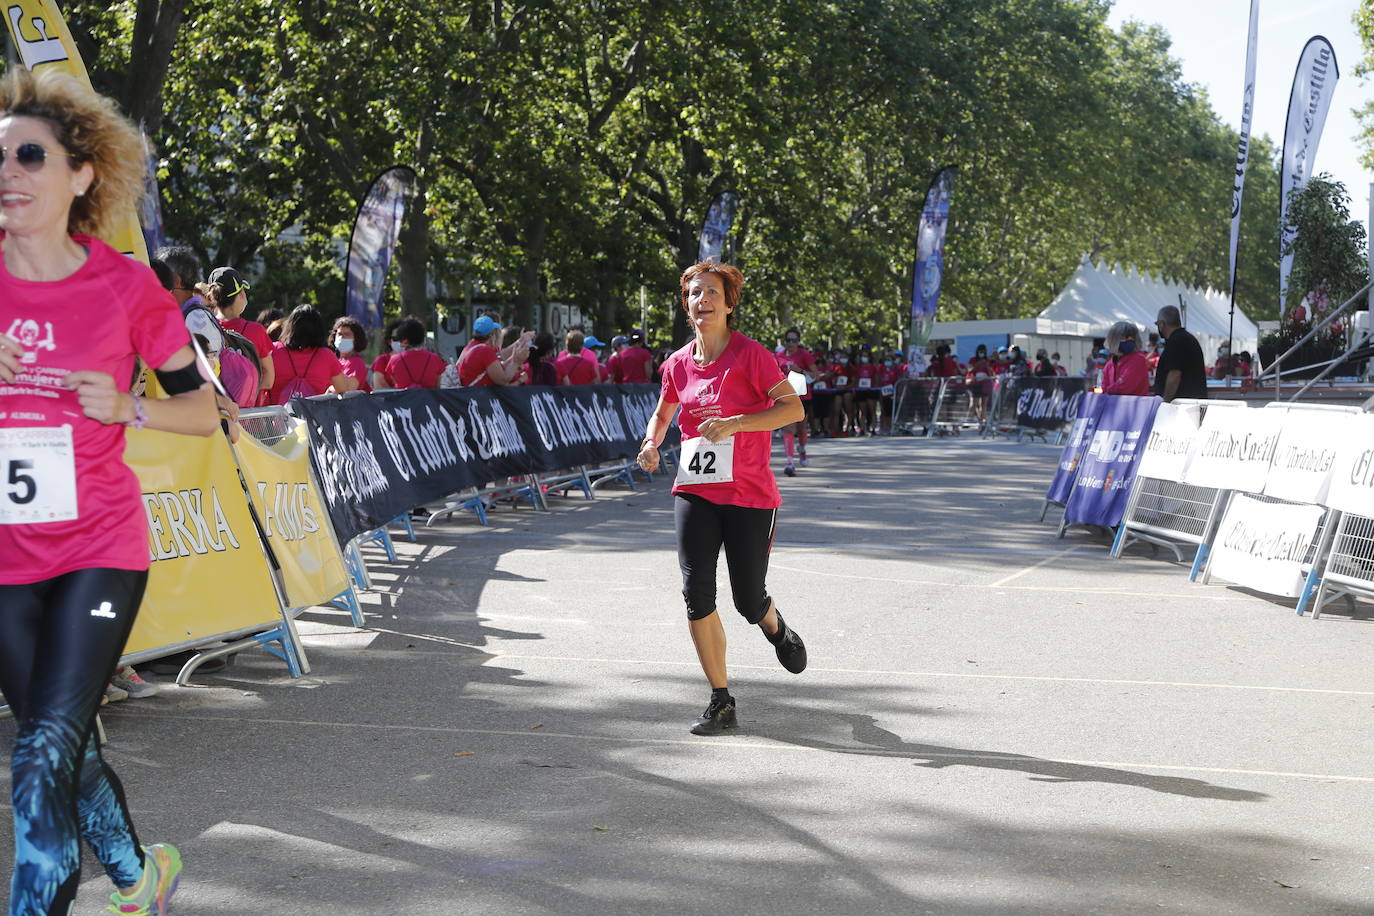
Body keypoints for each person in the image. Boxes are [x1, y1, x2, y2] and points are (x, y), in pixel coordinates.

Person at [0, 65, 219, 916]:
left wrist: (131, 405)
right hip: (6, 560)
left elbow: (204, 412)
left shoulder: (127, 286)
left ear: (80, 173)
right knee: (62, 750)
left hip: (97, 548)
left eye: (28, 156)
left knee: (45, 747)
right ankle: (138, 875)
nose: (7, 174)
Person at [636, 260, 807, 736]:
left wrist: (735, 423)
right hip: (695, 490)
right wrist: (651, 443)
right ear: (686, 305)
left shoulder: (751, 356)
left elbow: (790, 408)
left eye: (712, 292)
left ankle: (776, 627)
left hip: (749, 496)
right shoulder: (676, 363)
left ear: (729, 304)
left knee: (748, 600)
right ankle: (720, 699)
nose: (702, 300)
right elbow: (663, 414)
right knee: (696, 593)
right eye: (694, 293)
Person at [202, 266, 274, 401]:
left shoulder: (204, 329)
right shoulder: (256, 331)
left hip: (217, 413)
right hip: (250, 416)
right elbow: (269, 379)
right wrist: (244, 392)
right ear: (241, 295)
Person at [267, 305, 357, 403]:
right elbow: (343, 389)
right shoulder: (327, 356)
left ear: (289, 327)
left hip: (276, 416)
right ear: (318, 330)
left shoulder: (273, 350)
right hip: (313, 417)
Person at [774, 327, 816, 476]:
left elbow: (814, 376)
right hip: (786, 397)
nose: (791, 343)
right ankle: (790, 462)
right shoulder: (778, 356)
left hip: (804, 397)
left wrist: (800, 370)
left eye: (794, 340)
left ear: (798, 342)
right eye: (788, 340)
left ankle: (802, 449)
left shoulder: (805, 356)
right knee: (789, 429)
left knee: (802, 429)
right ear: (785, 341)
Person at [455, 315, 530, 386]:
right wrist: (516, 362)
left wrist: (521, 341)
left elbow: (498, 363)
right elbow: (502, 380)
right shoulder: (485, 350)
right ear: (491, 334)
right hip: (479, 396)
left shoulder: (470, 347)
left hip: (470, 395)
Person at [1153, 305, 1207, 402]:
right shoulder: (1186, 338)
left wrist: (1165, 403)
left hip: (1182, 405)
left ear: (1162, 324)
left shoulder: (1176, 341)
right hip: (1190, 401)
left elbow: (1174, 375)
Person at [385, 316, 446, 389]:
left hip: (403, 400)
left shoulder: (394, 360)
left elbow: (395, 384)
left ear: (405, 341)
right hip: (429, 400)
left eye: (399, 339)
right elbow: (437, 387)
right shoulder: (435, 359)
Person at [1101, 321, 1150, 396]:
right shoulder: (1110, 364)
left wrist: (1109, 390)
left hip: (1136, 406)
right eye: (1125, 338)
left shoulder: (1138, 359)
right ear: (1114, 340)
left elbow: (1124, 387)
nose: (1130, 340)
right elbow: (1104, 388)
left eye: (1132, 338)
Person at [329, 315, 371, 393]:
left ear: (356, 339)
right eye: (339, 334)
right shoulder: (335, 361)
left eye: (347, 334)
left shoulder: (357, 362)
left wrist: (329, 389)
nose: (342, 338)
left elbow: (348, 391)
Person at [371, 317, 404, 390]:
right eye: (396, 338)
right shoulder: (382, 360)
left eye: (403, 338)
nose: (400, 342)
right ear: (389, 341)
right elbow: (379, 387)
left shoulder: (414, 360)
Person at [965, 344, 993, 422]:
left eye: (983, 351)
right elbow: (969, 370)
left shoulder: (988, 360)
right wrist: (979, 363)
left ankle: (982, 419)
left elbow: (991, 373)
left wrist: (987, 365)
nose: (982, 353)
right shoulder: (972, 360)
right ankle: (968, 420)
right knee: (974, 403)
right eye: (980, 351)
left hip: (985, 384)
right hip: (976, 383)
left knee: (983, 403)